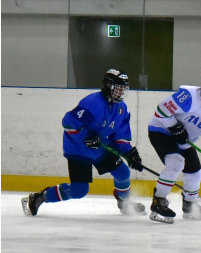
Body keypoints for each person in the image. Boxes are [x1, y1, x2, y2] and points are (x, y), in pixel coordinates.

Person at [22, 69, 145, 217]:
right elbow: (68, 123)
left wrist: (129, 153)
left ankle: (124, 203)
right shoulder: (93, 103)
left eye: (123, 89)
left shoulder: (122, 109)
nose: (121, 93)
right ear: (108, 86)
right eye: (118, 89)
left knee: (123, 172)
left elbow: (120, 137)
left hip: (100, 147)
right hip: (78, 148)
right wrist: (86, 135)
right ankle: (40, 197)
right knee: (79, 190)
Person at [147, 72, 201, 224]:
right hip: (161, 131)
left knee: (195, 172)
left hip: (184, 139)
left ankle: (189, 205)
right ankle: (158, 201)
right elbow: (161, 110)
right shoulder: (189, 96)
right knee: (176, 162)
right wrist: (175, 127)